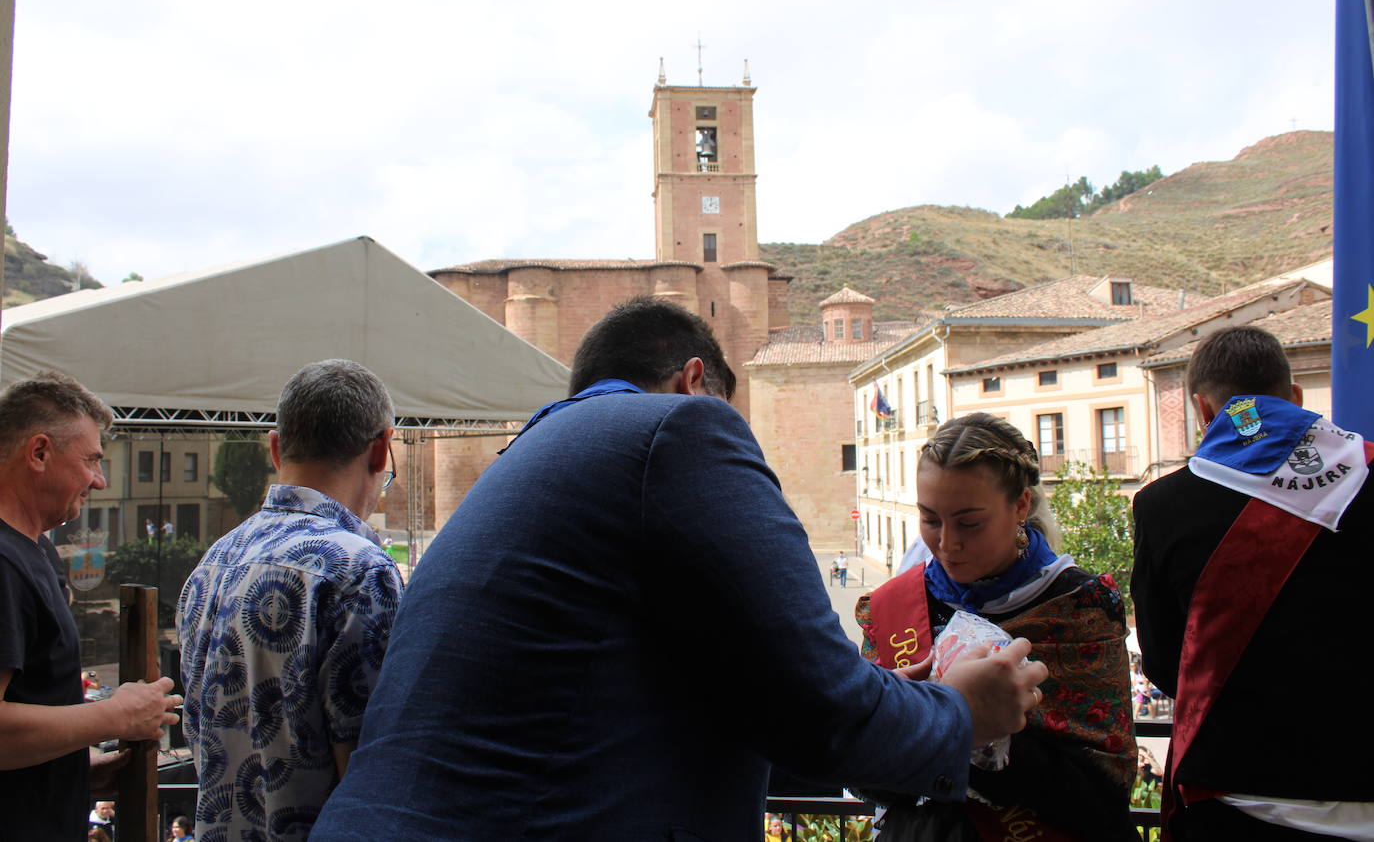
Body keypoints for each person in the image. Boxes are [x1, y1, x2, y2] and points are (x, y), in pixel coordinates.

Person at [313, 297, 1048, 840]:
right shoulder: (681, 429)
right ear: (696, 381)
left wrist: (885, 715)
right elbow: (820, 706)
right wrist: (960, 712)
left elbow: (737, 709)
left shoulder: (531, 460)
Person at [1133, 326, 1374, 840]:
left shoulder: (1162, 506)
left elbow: (1164, 660)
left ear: (1202, 411)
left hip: (1233, 792)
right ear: (1296, 399)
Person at [856, 413, 1137, 841]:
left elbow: (1102, 796)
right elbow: (866, 778)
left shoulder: (1081, 608)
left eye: (969, 523)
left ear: (1021, 504)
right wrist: (918, 720)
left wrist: (967, 731)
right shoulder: (891, 606)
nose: (947, 544)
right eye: (930, 519)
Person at [176, 359, 405, 841]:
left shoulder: (211, 564)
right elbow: (369, 775)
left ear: (276, 447)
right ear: (381, 449)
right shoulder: (360, 572)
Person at [0, 371, 182, 840]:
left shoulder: (35, 550)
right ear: (39, 453)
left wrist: (71, 770)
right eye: (91, 461)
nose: (99, 480)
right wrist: (113, 716)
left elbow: (28, 702)